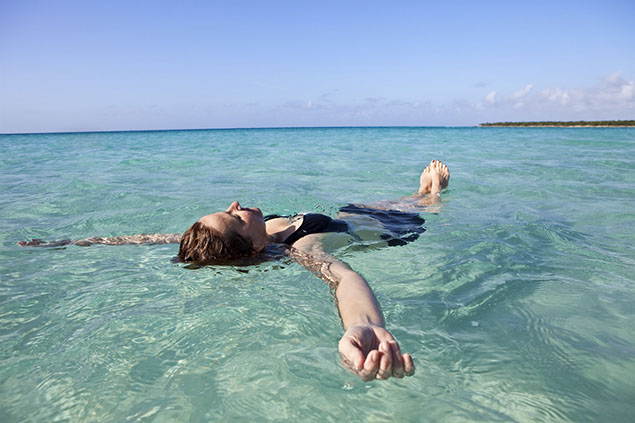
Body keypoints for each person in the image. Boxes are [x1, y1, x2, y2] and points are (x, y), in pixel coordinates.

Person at [19, 160, 450, 381]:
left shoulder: (231, 240)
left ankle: (415, 190)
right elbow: (345, 278)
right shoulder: (303, 248)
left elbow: (152, 238)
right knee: (408, 207)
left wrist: (74, 242)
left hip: (342, 214)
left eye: (229, 211)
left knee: (355, 205)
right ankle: (429, 196)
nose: (235, 206)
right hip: (385, 230)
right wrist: (367, 326)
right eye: (235, 218)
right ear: (253, 247)